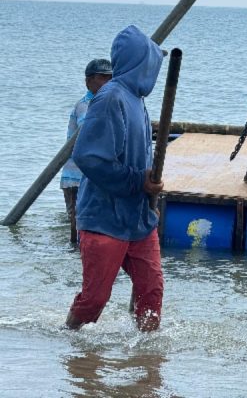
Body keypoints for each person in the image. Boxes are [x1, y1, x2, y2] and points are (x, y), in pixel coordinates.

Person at [65, 25, 165, 331]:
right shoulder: (110, 99)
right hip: (104, 218)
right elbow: (88, 157)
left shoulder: (137, 100)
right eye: (149, 63)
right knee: (94, 299)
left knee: (151, 294)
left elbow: (140, 157)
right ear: (138, 63)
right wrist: (137, 181)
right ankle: (70, 343)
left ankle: (147, 354)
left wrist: (150, 189)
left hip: (137, 218)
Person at [60, 59, 114, 241]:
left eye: (110, 78)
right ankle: (75, 253)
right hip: (76, 175)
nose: (108, 82)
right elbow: (92, 132)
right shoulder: (85, 105)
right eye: (103, 78)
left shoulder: (106, 103)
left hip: (93, 174)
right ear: (88, 81)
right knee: (78, 226)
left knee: (94, 224)